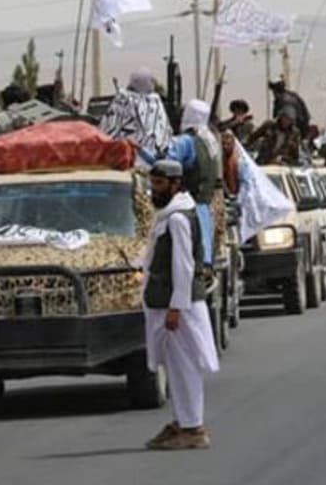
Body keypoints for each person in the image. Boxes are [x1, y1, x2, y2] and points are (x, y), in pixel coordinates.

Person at [142, 160, 219, 451]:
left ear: (176, 184)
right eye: (153, 183)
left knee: (184, 366)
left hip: (178, 307)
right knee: (175, 366)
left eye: (160, 184)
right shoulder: (170, 214)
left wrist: (176, 308)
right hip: (169, 303)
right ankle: (182, 422)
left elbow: (184, 266)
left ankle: (192, 428)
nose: (154, 189)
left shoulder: (177, 219)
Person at [137, 100, 222, 265]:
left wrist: (139, 149)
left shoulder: (186, 141)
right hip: (204, 211)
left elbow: (163, 164)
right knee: (201, 260)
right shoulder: (210, 142)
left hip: (185, 209)